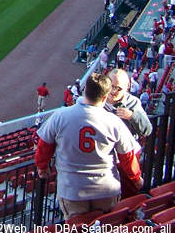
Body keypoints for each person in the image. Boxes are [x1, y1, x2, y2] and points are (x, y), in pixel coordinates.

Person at [35, 73, 143, 219]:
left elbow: (44, 146)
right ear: (105, 97)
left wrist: (42, 167)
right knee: (105, 231)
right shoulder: (113, 121)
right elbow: (128, 156)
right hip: (106, 189)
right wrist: (136, 179)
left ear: (84, 90)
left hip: (73, 190)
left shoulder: (61, 115)